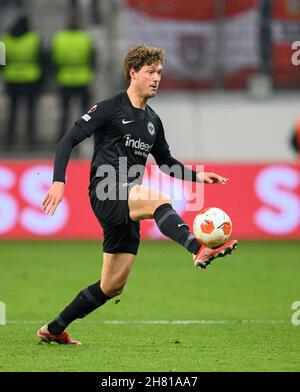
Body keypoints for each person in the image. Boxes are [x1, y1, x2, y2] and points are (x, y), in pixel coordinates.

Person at [37, 44, 238, 346]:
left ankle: (54, 328)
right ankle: (198, 248)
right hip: (106, 189)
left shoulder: (153, 121)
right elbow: (68, 140)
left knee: (111, 286)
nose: (157, 78)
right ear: (133, 72)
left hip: (128, 199)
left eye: (159, 72)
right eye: (150, 72)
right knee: (158, 199)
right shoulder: (110, 108)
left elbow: (167, 163)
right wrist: (58, 181)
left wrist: (198, 175)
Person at [1, 15, 43, 148]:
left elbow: (2, 62)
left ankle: (9, 140)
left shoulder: (6, 40)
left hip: (12, 79)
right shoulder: (34, 39)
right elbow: (40, 59)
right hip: (31, 79)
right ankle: (31, 140)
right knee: (30, 111)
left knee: (13, 111)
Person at [51, 15, 95, 141]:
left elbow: (54, 59)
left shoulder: (59, 38)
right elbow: (92, 58)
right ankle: (85, 137)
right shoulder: (85, 38)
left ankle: (62, 137)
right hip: (83, 79)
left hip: (64, 79)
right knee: (86, 114)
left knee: (64, 112)